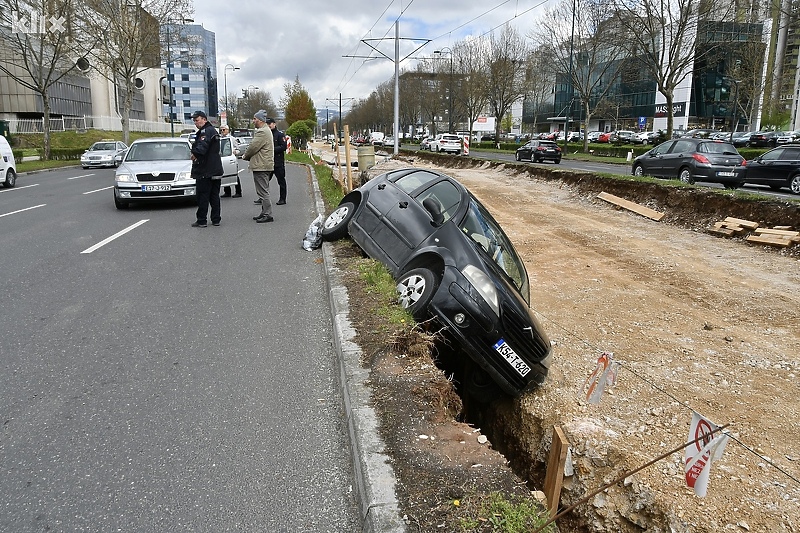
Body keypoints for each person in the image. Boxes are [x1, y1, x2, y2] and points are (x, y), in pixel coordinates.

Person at [189, 110, 223, 227]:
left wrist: (194, 153)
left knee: (203, 195)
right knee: (214, 195)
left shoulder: (205, 132)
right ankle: (216, 219)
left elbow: (202, 148)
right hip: (215, 168)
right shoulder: (212, 130)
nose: (195, 123)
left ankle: (202, 220)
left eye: (197, 120)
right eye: (194, 121)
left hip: (205, 170)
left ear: (204, 119)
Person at [243, 110, 275, 223]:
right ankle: (264, 212)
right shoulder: (266, 130)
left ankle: (268, 214)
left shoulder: (262, 132)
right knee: (263, 190)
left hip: (261, 166)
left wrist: (245, 156)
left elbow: (253, 147)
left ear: (260, 120)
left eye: (255, 119)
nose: (253, 121)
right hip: (264, 165)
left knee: (263, 191)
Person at [265, 118, 287, 204]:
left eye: (270, 123)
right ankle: (263, 198)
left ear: (274, 124)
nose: (268, 125)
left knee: (281, 181)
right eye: (267, 124)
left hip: (278, 162)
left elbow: (283, 147)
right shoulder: (266, 134)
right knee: (265, 181)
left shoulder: (280, 135)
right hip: (268, 162)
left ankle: (282, 199)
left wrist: (272, 149)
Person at [219, 125, 242, 198]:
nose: (222, 131)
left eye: (224, 130)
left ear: (228, 130)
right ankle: (227, 191)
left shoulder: (232, 139)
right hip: (223, 159)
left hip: (231, 159)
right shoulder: (219, 139)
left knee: (235, 175)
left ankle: (238, 192)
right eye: (221, 130)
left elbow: (238, 150)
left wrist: (235, 152)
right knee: (225, 174)